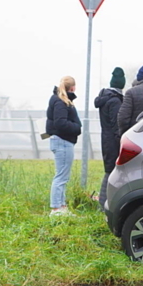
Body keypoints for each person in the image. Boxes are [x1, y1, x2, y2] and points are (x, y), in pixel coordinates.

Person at [46, 76, 82, 216]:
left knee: (62, 176)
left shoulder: (59, 100)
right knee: (61, 176)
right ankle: (56, 208)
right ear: (72, 87)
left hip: (61, 141)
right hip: (63, 141)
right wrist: (77, 128)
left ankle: (61, 206)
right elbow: (60, 123)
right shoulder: (61, 102)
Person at [94, 67, 125, 208]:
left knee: (109, 171)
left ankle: (103, 203)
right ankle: (104, 204)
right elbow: (116, 125)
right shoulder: (115, 101)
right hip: (113, 141)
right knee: (112, 173)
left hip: (105, 139)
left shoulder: (104, 98)